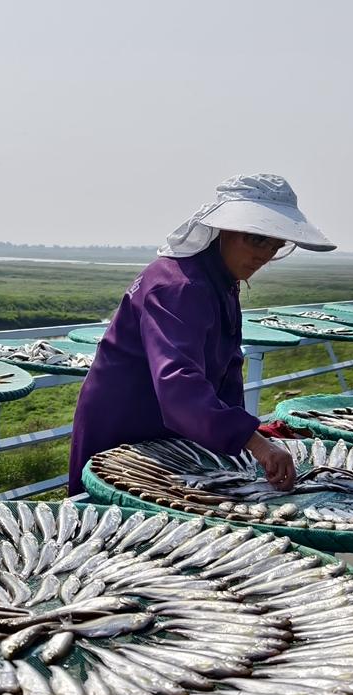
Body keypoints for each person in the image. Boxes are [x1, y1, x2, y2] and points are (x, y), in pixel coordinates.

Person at [67, 173, 337, 494]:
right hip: (128, 425)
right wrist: (255, 443)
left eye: (275, 244)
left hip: (174, 429)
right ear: (223, 230)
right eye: (256, 239)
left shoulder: (220, 280)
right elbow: (178, 383)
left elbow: (226, 370)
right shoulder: (179, 285)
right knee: (114, 523)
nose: (264, 255)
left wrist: (236, 438)